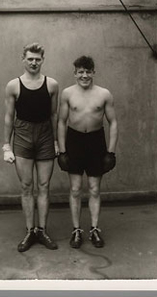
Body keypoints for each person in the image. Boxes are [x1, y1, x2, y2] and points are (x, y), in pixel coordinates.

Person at [3, 42, 59, 252]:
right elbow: (9, 117)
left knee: (44, 186)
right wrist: (6, 146)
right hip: (23, 136)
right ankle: (29, 231)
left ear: (42, 60)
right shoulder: (13, 85)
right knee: (27, 186)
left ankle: (42, 231)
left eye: (38, 59)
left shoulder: (52, 84)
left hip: (45, 135)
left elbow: (54, 115)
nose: (34, 62)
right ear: (23, 60)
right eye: (30, 59)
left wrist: (55, 142)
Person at [57, 55, 118, 249]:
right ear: (75, 73)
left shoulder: (104, 94)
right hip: (74, 141)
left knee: (94, 189)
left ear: (93, 72)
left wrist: (111, 152)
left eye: (88, 71)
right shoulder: (67, 94)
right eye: (80, 72)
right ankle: (76, 230)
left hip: (95, 142)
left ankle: (94, 229)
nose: (84, 75)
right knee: (75, 189)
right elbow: (61, 122)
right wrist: (62, 150)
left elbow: (113, 122)